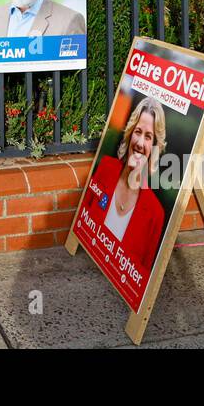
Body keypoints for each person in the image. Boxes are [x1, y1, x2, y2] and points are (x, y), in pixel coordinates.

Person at [83, 95, 167, 275]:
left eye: (148, 137)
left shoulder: (155, 214)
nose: (139, 143)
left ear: (154, 148)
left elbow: (143, 274)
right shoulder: (105, 167)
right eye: (138, 132)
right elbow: (83, 220)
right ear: (129, 134)